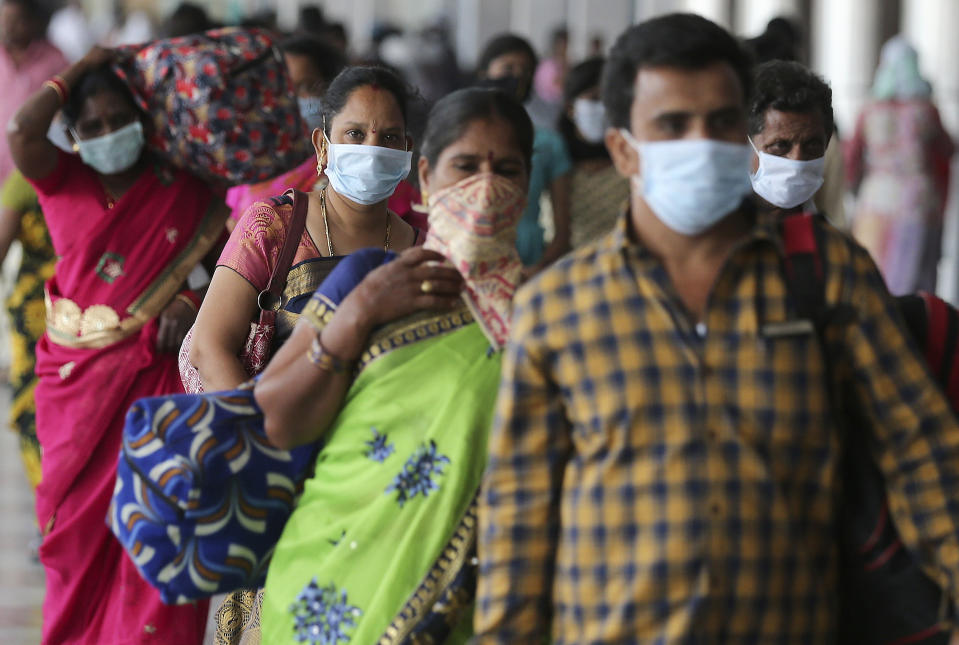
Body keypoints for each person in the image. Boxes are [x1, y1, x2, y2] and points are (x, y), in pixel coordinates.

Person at [474, 13, 959, 643]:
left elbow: (922, 455)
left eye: (722, 123)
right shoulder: (560, 309)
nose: (702, 144)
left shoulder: (827, 276)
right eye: (673, 126)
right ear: (623, 148)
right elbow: (519, 523)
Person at [254, 87, 532, 644]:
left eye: (505, 169)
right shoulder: (364, 281)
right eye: (466, 166)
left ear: (526, 187)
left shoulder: (546, 314)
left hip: (474, 609)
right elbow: (276, 420)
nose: (485, 186)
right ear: (426, 177)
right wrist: (357, 317)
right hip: (328, 583)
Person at [8, 46, 230, 644]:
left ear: (143, 119)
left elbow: (229, 274)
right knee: (74, 541)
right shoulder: (62, 179)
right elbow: (22, 128)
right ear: (75, 136)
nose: (109, 134)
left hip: (153, 385)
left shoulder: (183, 191)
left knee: (154, 533)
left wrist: (186, 304)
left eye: (119, 120)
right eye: (93, 126)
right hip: (73, 388)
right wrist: (85, 65)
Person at [190, 65, 420, 395]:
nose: (371, 150)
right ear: (323, 146)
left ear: (405, 151)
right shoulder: (272, 227)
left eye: (388, 137)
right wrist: (257, 434)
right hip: (274, 432)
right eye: (355, 134)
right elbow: (209, 349)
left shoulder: (419, 247)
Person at [847, 35, 955, 295]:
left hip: (877, 198)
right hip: (918, 200)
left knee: (874, 274)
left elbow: (853, 154)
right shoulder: (925, 110)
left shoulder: (870, 109)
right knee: (916, 280)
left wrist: (854, 189)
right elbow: (948, 148)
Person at [223, 35, 347, 226]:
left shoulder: (347, 168)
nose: (292, 98)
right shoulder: (252, 163)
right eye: (283, 87)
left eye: (307, 86)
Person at [478, 33, 571, 272]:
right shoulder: (461, 138)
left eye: (525, 70)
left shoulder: (548, 142)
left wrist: (536, 271)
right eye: (508, 67)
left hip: (532, 261)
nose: (517, 76)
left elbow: (563, 228)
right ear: (484, 72)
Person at [0, 170, 56, 493]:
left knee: (35, 407)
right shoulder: (25, 181)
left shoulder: (23, 180)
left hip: (36, 307)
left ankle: (48, 511)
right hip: (78, 306)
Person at [556, 57, 628, 247]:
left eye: (607, 99)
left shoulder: (630, 159)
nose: (602, 108)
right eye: (594, 99)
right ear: (570, 107)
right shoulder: (555, 157)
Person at [747, 60, 834, 218]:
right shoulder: (714, 237)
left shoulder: (830, 240)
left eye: (811, 146)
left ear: (826, 143)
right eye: (780, 146)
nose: (797, 160)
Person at [0, 0, 67, 183]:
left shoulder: (54, 59)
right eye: (5, 20)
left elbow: (65, 110)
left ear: (33, 21)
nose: (8, 27)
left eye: (16, 21)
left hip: (37, 169)